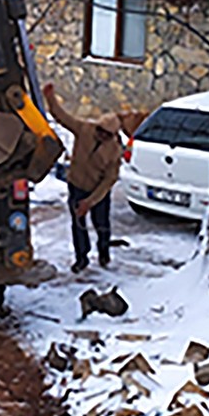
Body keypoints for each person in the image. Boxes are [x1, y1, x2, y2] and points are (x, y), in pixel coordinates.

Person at [43, 83, 124, 273]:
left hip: (98, 192)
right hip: (77, 185)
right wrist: (50, 98)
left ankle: (103, 251)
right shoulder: (84, 129)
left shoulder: (114, 151)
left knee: (101, 223)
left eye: (106, 134)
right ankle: (81, 257)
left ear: (112, 135)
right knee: (78, 223)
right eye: (100, 130)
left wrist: (91, 201)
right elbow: (62, 118)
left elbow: (109, 181)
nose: (101, 135)